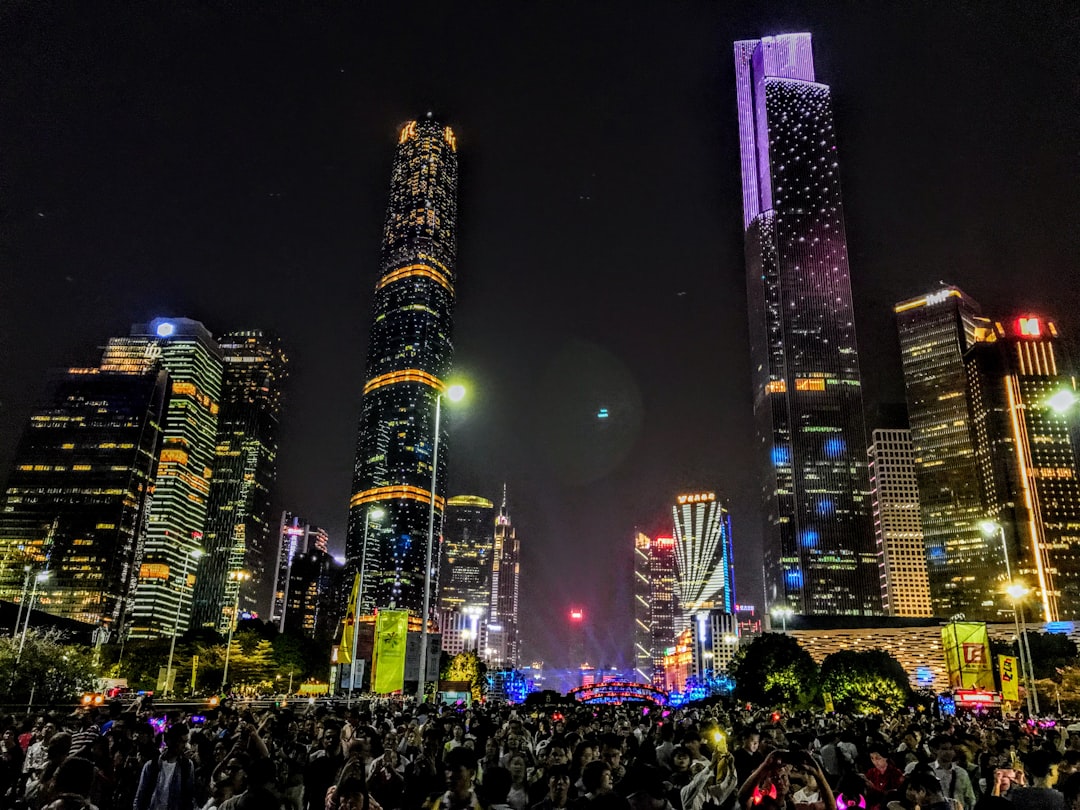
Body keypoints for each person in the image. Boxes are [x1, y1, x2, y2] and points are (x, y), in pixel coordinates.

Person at [133, 724, 197, 810]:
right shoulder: (151, 765)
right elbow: (140, 795)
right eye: (181, 742)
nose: (184, 746)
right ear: (171, 741)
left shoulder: (187, 766)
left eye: (185, 742)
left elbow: (189, 797)